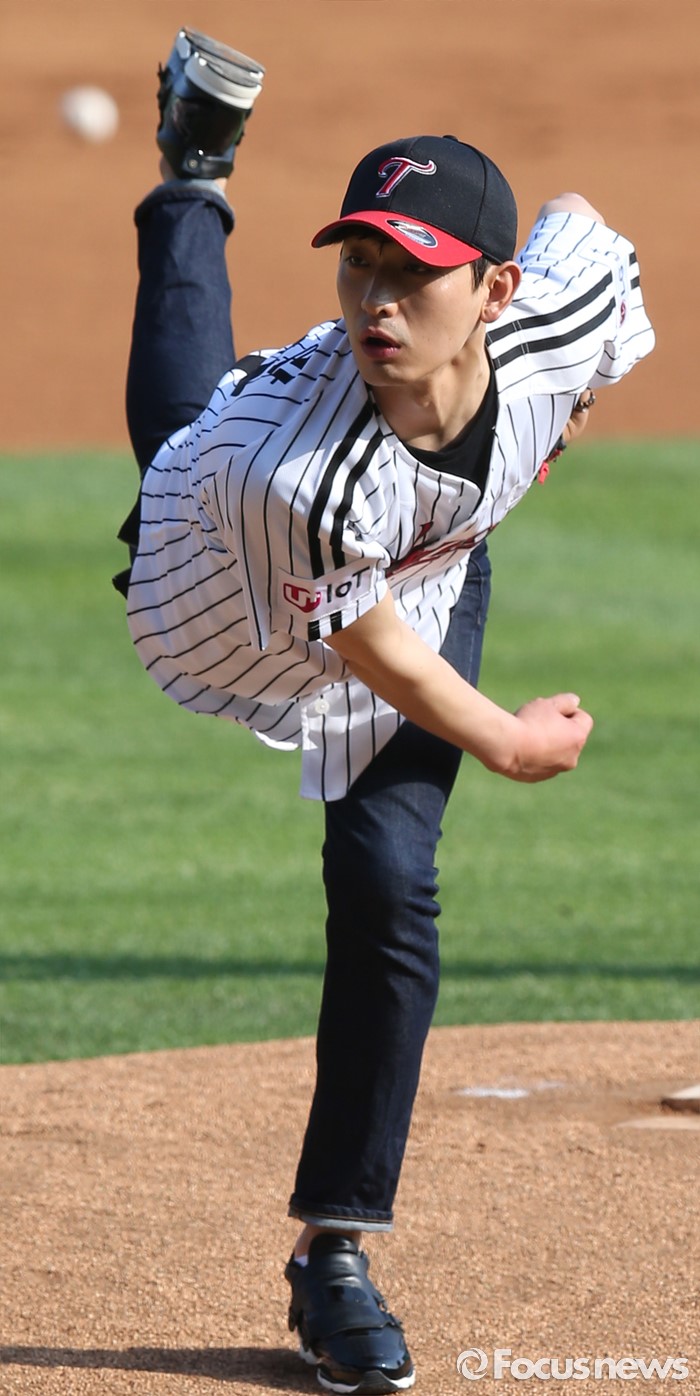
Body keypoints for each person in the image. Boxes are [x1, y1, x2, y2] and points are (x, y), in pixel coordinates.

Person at [115, 27, 655, 1395]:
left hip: (420, 566)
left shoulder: (550, 316)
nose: (377, 300)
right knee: (179, 422)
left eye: (414, 273)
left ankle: (334, 1251)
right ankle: (192, 182)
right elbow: (371, 651)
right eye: (360, 265)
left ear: (496, 290)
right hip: (221, 588)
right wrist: (510, 738)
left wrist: (558, 417)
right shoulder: (291, 475)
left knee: (387, 879)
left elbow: (588, 239)